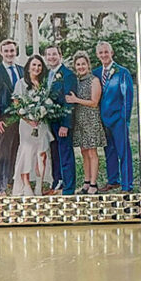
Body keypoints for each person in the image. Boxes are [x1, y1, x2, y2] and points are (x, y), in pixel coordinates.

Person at [93, 41, 134, 192]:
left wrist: (124, 119)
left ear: (112, 53)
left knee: (124, 152)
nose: (104, 55)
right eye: (101, 52)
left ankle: (127, 184)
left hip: (118, 119)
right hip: (103, 120)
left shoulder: (122, 72)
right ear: (97, 55)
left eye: (106, 52)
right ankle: (113, 180)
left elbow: (127, 98)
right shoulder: (96, 73)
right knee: (109, 151)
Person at [11, 54, 54, 197]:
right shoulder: (21, 83)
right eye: (34, 65)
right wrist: (29, 120)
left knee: (42, 155)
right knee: (27, 154)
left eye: (39, 65)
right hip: (27, 125)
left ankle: (39, 186)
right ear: (28, 67)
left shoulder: (43, 84)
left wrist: (42, 115)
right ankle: (26, 184)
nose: (37, 68)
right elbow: (17, 106)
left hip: (41, 124)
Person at [66, 51, 107, 194]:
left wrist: (76, 100)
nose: (81, 67)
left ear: (88, 65)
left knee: (92, 152)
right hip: (79, 120)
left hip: (91, 119)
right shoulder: (77, 81)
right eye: (78, 64)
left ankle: (94, 184)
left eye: (83, 64)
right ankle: (87, 182)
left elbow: (94, 102)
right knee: (83, 151)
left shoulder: (94, 80)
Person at [0, 38, 24, 195]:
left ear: (16, 52)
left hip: (21, 119)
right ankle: (0, 186)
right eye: (6, 51)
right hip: (3, 119)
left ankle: (10, 178)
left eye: (12, 51)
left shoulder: (22, 70)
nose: (9, 54)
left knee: (16, 149)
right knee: (3, 152)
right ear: (1, 52)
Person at [44, 45, 78, 195]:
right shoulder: (47, 75)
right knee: (55, 154)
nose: (51, 57)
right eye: (49, 55)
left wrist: (65, 124)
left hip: (62, 122)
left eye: (54, 54)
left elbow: (69, 102)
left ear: (60, 56)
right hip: (50, 122)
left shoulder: (68, 75)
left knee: (65, 153)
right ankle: (57, 182)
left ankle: (69, 188)